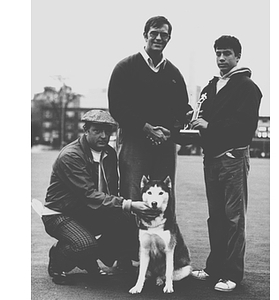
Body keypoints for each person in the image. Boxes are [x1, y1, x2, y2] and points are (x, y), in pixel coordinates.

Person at [108, 15, 193, 269]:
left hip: (164, 144)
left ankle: (168, 261)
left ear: (169, 38)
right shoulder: (125, 67)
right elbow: (117, 106)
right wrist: (146, 128)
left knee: (165, 199)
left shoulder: (174, 73)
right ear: (145, 35)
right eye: (154, 33)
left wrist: (170, 131)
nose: (158, 38)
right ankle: (126, 257)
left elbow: (182, 109)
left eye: (164, 34)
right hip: (134, 141)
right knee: (133, 195)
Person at [41, 110, 158, 285]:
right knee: (86, 245)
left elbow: (110, 191)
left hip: (87, 210)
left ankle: (90, 256)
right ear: (86, 130)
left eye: (107, 131)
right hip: (60, 214)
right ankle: (59, 257)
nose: (103, 136)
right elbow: (89, 194)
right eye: (97, 130)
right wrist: (129, 204)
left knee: (127, 220)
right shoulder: (71, 156)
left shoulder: (109, 154)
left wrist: (131, 209)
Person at [190, 35, 262, 292]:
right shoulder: (210, 87)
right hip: (211, 159)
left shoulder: (247, 87)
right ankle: (214, 268)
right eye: (218, 53)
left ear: (238, 56)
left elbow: (245, 128)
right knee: (216, 217)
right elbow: (202, 120)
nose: (222, 58)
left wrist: (210, 126)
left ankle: (232, 274)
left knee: (233, 219)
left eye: (227, 54)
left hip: (232, 158)